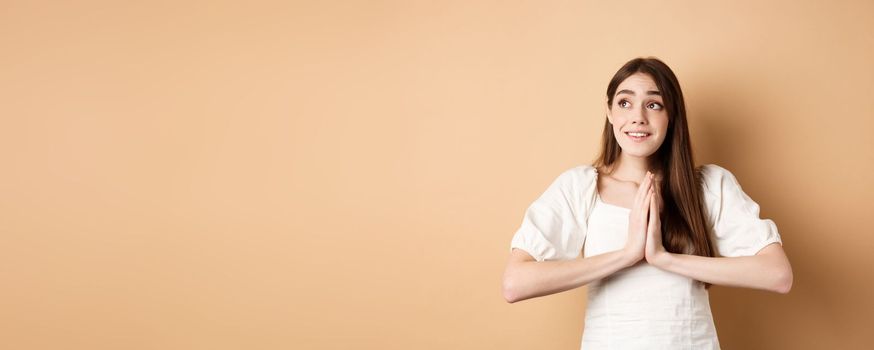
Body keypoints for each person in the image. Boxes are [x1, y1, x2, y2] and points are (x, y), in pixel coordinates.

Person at [501, 57, 793, 349]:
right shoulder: (581, 186)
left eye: (654, 105)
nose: (638, 117)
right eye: (625, 103)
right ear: (610, 112)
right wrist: (627, 254)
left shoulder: (708, 186)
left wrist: (664, 258)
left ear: (672, 115)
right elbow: (515, 283)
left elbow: (778, 275)